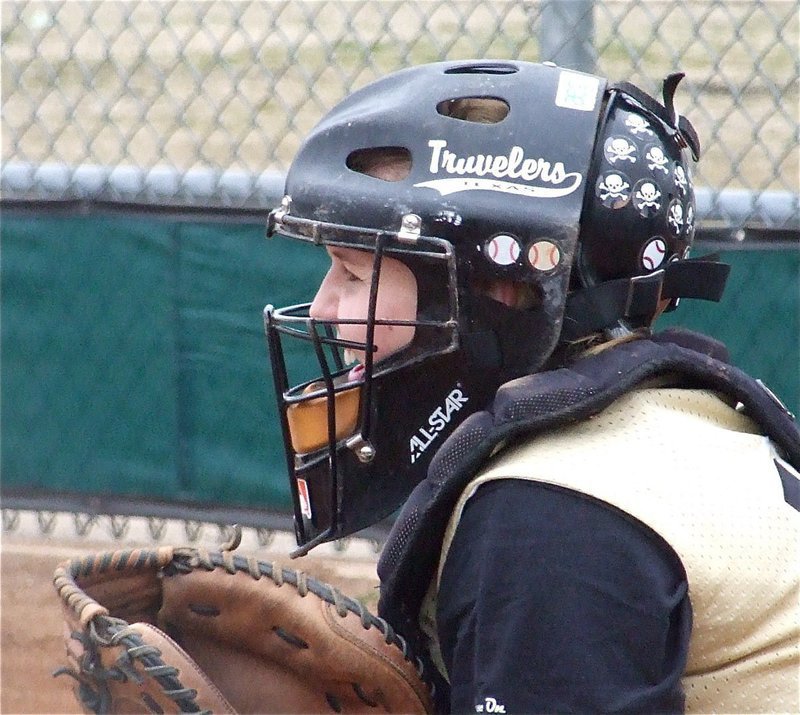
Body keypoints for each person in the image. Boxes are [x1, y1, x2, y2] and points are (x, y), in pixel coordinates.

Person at [264, 60, 800, 713]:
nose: (321, 307)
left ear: (499, 292)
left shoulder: (548, 515)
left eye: (353, 272)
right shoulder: (701, 424)